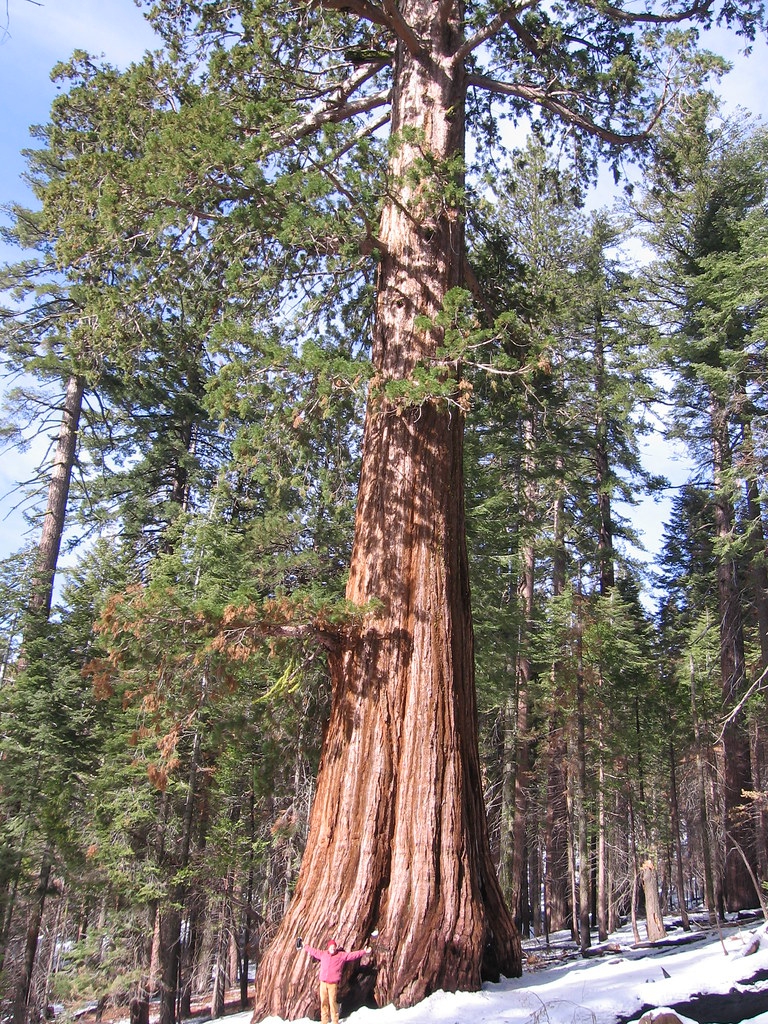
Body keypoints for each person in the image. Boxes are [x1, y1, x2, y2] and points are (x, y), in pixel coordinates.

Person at [297, 936, 372, 1024]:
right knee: (324, 1002)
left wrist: (364, 952)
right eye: (331, 947)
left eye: (334, 947)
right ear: (328, 948)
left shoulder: (340, 956)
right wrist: (303, 945)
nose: (332, 948)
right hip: (323, 983)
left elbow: (351, 955)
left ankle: (335, 1020)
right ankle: (324, 1020)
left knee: (332, 1002)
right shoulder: (323, 954)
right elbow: (313, 951)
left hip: (333, 984)